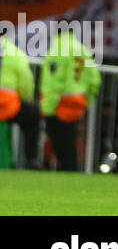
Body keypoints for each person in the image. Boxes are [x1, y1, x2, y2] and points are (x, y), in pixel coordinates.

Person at [39, 30, 102, 172]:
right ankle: (70, 169)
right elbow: (94, 79)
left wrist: (47, 107)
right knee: (69, 138)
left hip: (60, 102)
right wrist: (87, 100)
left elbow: (54, 80)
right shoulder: (82, 49)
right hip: (78, 101)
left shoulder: (58, 48)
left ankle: (68, 170)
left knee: (59, 140)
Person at [0, 35, 34, 170]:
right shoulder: (15, 53)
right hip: (8, 106)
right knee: (33, 117)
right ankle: (31, 160)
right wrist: (25, 98)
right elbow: (26, 83)